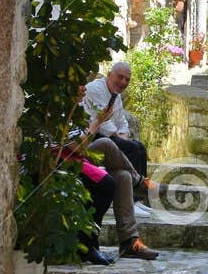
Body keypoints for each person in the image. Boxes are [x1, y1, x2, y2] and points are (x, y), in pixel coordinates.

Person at [63, 86, 158, 262]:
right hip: (64, 161)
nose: (83, 89)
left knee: (123, 176)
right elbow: (76, 146)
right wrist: (98, 121)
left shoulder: (75, 109)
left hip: (77, 156)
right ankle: (141, 183)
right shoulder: (59, 110)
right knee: (107, 143)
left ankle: (130, 242)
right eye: (79, 86)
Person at [82, 62, 149, 204]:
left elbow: (122, 122)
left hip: (107, 136)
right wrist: (121, 139)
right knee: (133, 148)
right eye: (120, 77)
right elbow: (104, 124)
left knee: (139, 147)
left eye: (127, 79)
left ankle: (137, 200)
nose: (123, 82)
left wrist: (123, 137)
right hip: (90, 136)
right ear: (109, 75)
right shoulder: (95, 89)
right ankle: (130, 199)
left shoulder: (115, 95)